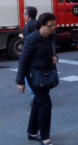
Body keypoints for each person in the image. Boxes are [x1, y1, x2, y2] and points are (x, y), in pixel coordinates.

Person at [16, 13, 58, 145]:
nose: (52, 28)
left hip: (45, 74)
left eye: (53, 25)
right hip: (33, 76)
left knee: (37, 103)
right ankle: (45, 137)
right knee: (46, 104)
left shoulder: (51, 37)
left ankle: (32, 132)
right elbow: (23, 60)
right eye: (50, 26)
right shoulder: (32, 38)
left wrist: (55, 58)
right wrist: (20, 81)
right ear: (41, 25)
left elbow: (52, 54)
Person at [19, 6, 38, 105]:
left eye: (24, 14)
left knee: (28, 78)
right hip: (39, 55)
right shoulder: (39, 24)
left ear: (28, 16)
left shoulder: (27, 27)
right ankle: (40, 96)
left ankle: (35, 98)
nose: (23, 16)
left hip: (31, 56)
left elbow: (27, 42)